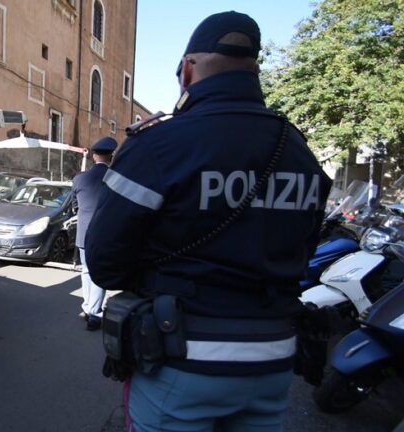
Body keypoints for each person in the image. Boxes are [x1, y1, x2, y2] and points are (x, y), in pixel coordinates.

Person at [86, 11, 332, 432]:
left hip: (182, 358)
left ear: (187, 70)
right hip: (273, 360)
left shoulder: (160, 144)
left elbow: (105, 261)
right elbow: (305, 251)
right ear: (254, 69)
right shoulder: (299, 151)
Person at [72, 137, 117, 331]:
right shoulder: (116, 178)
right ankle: (95, 314)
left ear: (93, 156)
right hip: (104, 234)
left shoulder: (79, 178)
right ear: (111, 157)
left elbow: (74, 206)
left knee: (86, 271)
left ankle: (87, 307)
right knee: (99, 273)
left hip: (83, 233)